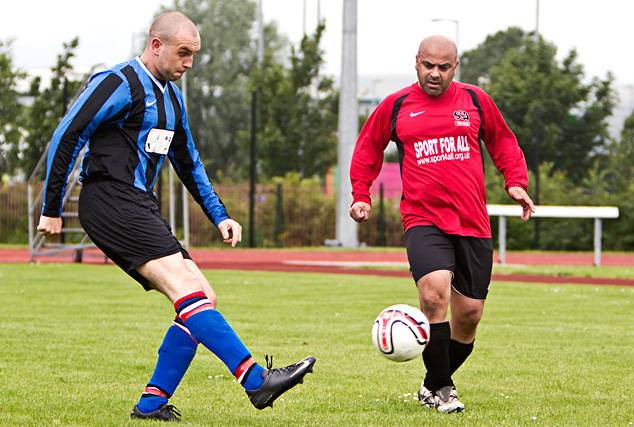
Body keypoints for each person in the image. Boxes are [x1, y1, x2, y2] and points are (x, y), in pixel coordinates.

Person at [37, 11, 315, 422]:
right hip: (111, 200)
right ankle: (255, 380)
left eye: (193, 55)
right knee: (188, 290)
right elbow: (67, 133)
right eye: (183, 53)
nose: (188, 63)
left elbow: (189, 162)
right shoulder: (118, 82)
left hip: (139, 204)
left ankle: (151, 404)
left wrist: (220, 215)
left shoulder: (172, 98)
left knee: (203, 297)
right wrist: (52, 208)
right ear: (156, 45)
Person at [349, 35, 534, 413]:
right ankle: (445, 390)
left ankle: (432, 384)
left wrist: (515, 181)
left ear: (456, 66)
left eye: (443, 67)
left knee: (468, 318)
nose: (434, 74)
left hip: (473, 223)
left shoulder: (475, 101)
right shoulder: (396, 105)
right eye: (427, 65)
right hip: (423, 219)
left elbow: (503, 142)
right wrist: (360, 194)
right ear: (415, 62)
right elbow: (368, 146)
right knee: (434, 295)